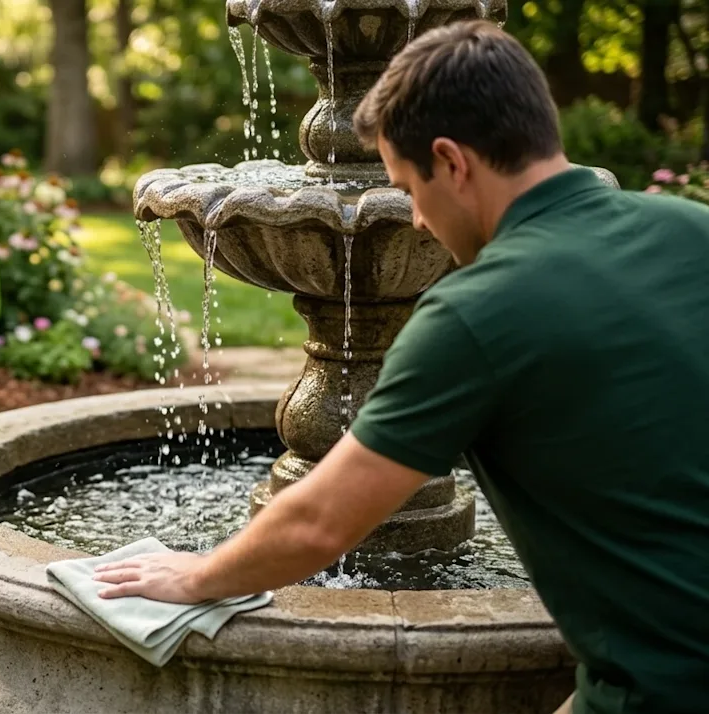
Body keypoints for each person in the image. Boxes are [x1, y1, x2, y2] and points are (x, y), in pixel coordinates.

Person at [91, 19, 709, 714]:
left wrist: (199, 574)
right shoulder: (691, 230)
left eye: (408, 186)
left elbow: (321, 525)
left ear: (451, 161)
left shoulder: (474, 313)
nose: (414, 219)